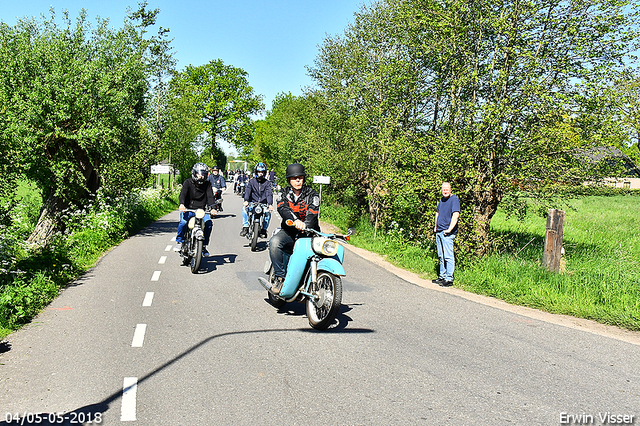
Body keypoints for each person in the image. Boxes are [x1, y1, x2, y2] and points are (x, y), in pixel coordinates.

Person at [268, 163, 320, 294]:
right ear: (289, 180)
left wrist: (306, 224)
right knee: (274, 243)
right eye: (294, 178)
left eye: (300, 177)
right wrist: (295, 221)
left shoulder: (312, 194)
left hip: (309, 233)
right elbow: (282, 208)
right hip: (289, 231)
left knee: (324, 251)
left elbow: (313, 212)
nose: (298, 180)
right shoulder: (283, 193)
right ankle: (280, 278)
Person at [175, 162, 217, 257]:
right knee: (183, 223)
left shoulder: (207, 184)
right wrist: (182, 204)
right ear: (194, 173)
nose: (201, 176)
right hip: (188, 209)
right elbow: (182, 194)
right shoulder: (188, 182)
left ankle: (204, 246)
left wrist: (213, 208)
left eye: (203, 174)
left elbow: (210, 197)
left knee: (209, 223)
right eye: (199, 174)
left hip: (201, 211)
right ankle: (180, 242)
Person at [432, 182, 460, 287]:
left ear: (450, 189)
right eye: (443, 189)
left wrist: (449, 229)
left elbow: (456, 215)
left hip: (447, 233)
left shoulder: (454, 200)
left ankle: (449, 279)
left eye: (447, 189)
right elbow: (437, 212)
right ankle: (442, 276)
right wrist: (435, 226)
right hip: (439, 231)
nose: (445, 191)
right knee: (441, 255)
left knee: (448, 256)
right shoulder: (442, 200)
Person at [240, 162, 274, 237]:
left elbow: (269, 193)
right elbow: (248, 191)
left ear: (264, 173)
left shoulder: (267, 183)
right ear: (256, 172)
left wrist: (270, 204)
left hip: (263, 204)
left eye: (262, 172)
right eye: (259, 172)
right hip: (252, 202)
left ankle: (264, 229)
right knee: (244, 209)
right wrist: (246, 200)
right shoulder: (251, 181)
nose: (260, 174)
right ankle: (245, 227)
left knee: (268, 213)